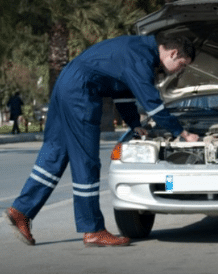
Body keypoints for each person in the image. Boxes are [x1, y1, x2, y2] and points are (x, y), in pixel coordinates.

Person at [3, 33, 199, 247]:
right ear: (173, 53)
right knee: (86, 161)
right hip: (81, 92)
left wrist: (134, 123)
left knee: (55, 153)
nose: (181, 70)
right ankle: (93, 229)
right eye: (182, 64)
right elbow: (152, 103)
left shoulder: (137, 49)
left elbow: (122, 92)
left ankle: (21, 210)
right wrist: (182, 133)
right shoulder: (141, 57)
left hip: (66, 83)